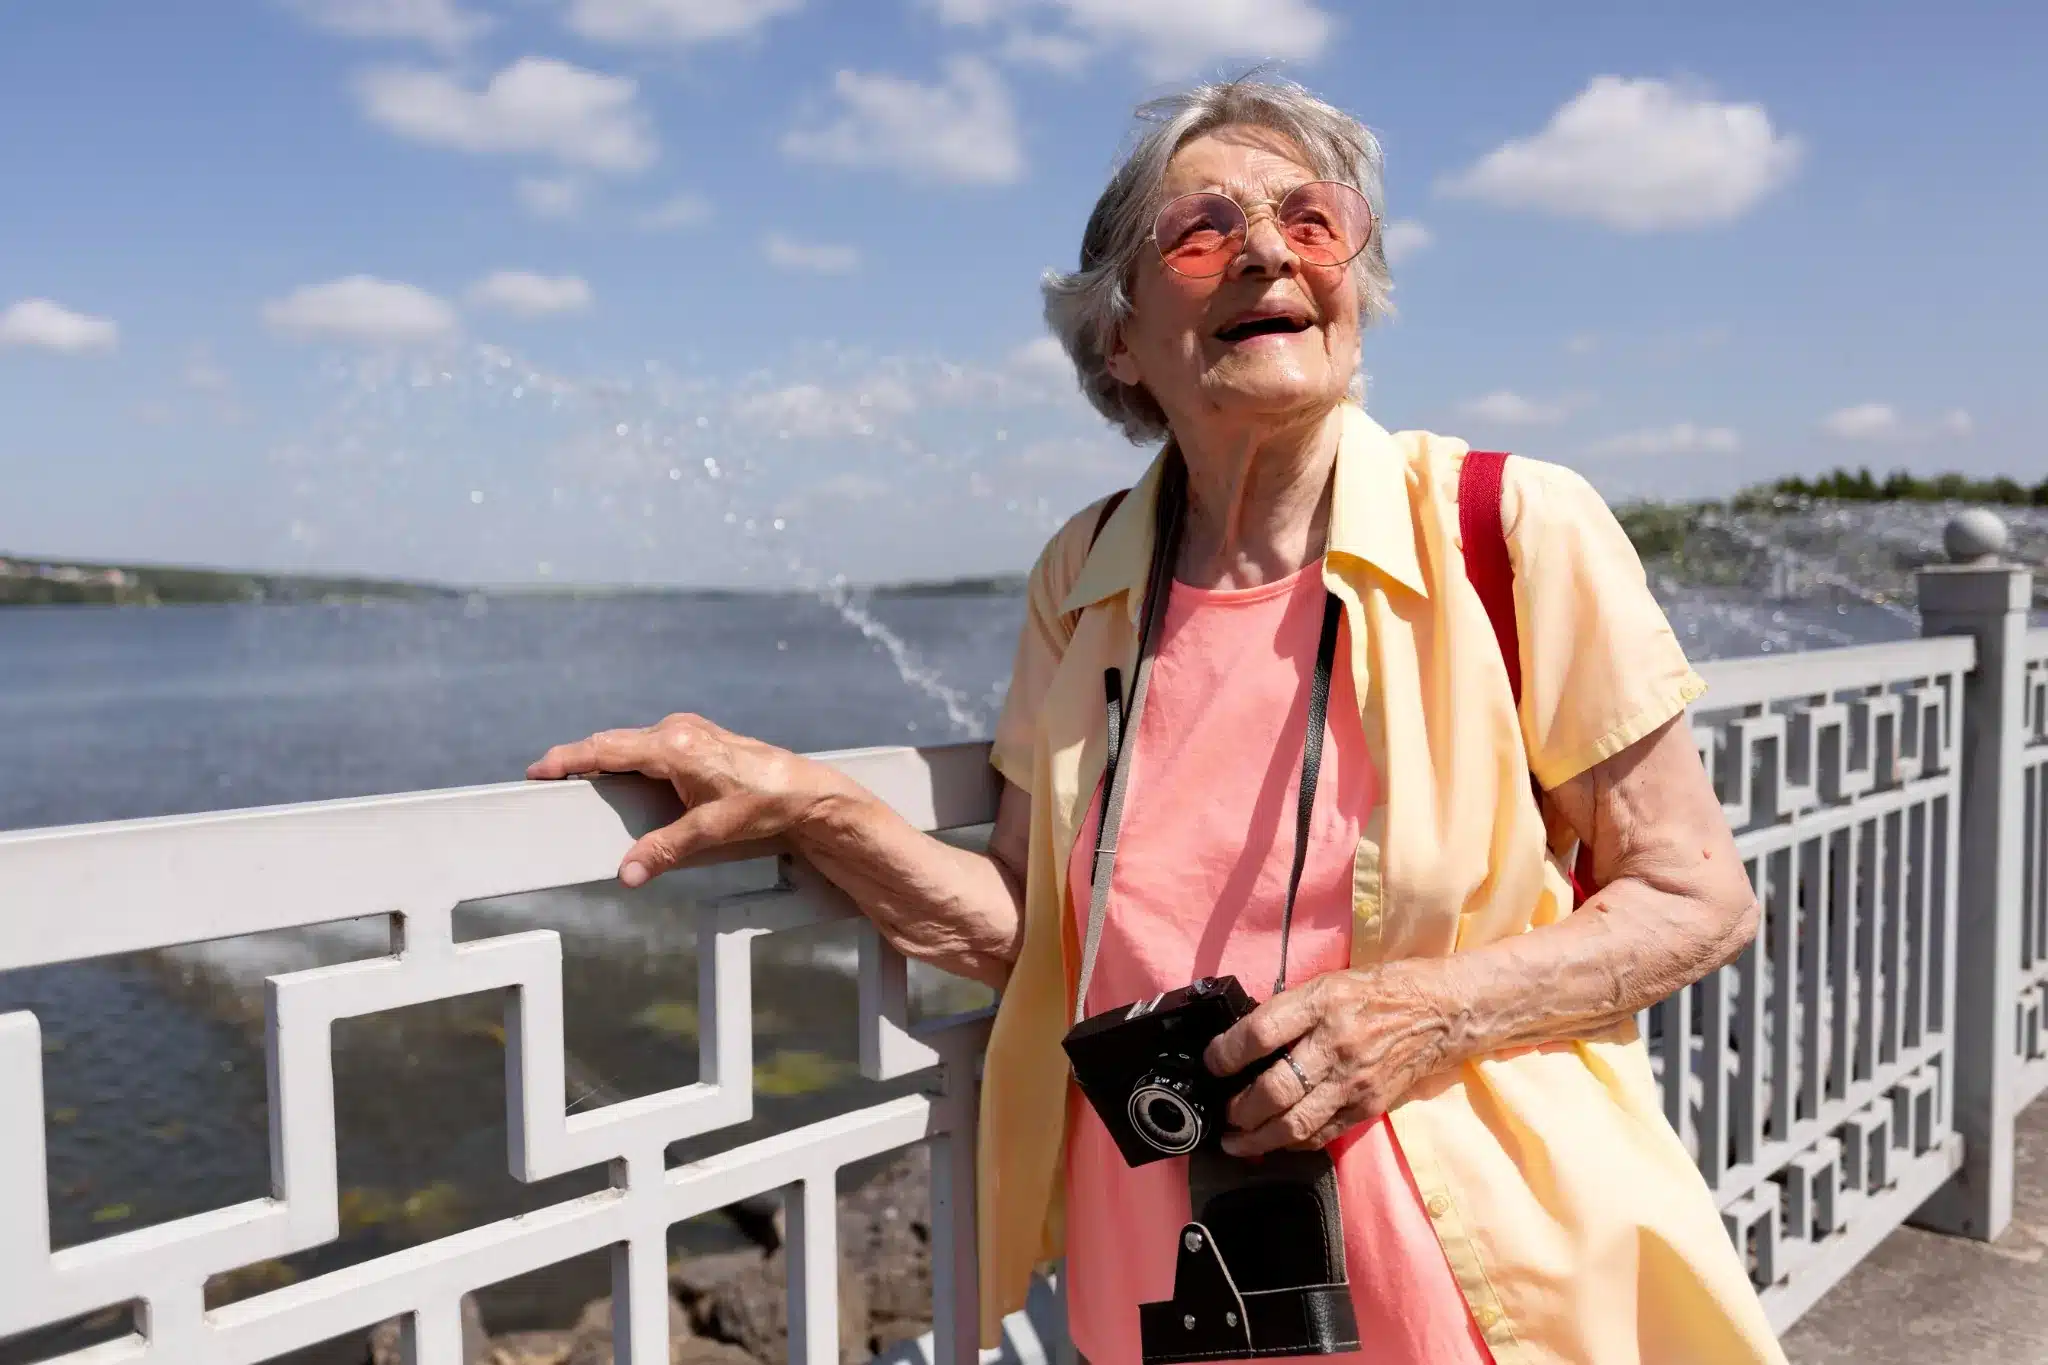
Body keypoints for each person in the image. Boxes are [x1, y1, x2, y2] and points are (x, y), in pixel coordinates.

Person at [528, 77, 1787, 1365]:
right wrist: (815, 809)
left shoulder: (1509, 527)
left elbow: (1696, 898)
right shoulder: (1083, 575)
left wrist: (1420, 1012)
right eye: (1203, 232)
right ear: (1119, 339)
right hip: (1171, 1267)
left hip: (1482, 1278)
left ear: (1356, 285)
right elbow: (1035, 927)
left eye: (1312, 221)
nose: (1265, 251)